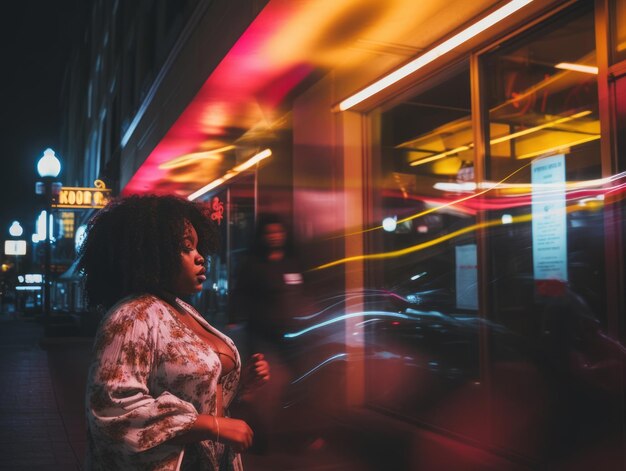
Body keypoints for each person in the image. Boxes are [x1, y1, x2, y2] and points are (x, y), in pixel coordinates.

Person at [78, 194, 270, 470]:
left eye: (198, 247)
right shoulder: (131, 315)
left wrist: (243, 387)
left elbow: (198, 396)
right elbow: (112, 408)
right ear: (151, 253)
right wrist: (212, 426)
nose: (200, 257)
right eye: (185, 248)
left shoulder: (181, 309)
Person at [229, 213, 312, 453]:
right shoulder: (253, 264)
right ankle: (260, 437)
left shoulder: (294, 262)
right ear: (262, 236)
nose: (275, 236)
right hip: (261, 334)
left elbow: (305, 293)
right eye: (269, 233)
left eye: (278, 232)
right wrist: (235, 321)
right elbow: (240, 294)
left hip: (291, 336)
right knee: (263, 386)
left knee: (294, 385)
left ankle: (290, 434)